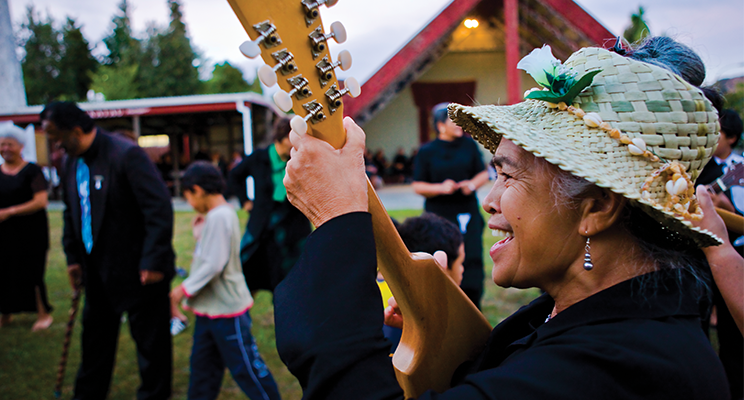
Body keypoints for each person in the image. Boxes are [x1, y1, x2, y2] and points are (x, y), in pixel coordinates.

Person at [273, 37, 730, 399]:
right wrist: (438, 328)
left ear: (597, 208)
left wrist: (336, 220)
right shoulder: (611, 321)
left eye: (508, 176)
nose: (489, 201)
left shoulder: (622, 369)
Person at [41, 101, 175, 400]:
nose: (55, 144)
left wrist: (153, 260)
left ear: (75, 130)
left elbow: (159, 209)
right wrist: (73, 257)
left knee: (151, 351)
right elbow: (70, 211)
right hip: (96, 272)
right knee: (94, 346)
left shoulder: (126, 154)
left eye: (56, 136)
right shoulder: (71, 162)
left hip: (141, 272)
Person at [170, 161, 282, 400]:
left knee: (247, 369)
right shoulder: (216, 215)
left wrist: (182, 290)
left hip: (227, 313)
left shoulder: (221, 216)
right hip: (208, 311)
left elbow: (214, 263)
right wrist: (201, 233)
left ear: (198, 190)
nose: (189, 203)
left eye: (188, 196)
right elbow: (211, 252)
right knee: (202, 372)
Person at [0, 126, 53, 332]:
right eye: (2, 145)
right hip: (2, 233)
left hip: (31, 232)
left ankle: (43, 314)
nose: (6, 148)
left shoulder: (32, 172)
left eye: (10, 144)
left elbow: (40, 201)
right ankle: (4, 314)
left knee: (32, 272)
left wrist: (10, 211)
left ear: (20, 147)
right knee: (0, 271)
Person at [412, 102, 490, 309]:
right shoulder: (427, 151)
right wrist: (440, 188)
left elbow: (483, 173)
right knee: (441, 256)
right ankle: (442, 305)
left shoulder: (469, 145)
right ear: (440, 125)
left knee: (471, 257)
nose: (459, 125)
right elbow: (417, 185)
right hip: (439, 215)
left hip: (467, 214)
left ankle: (473, 305)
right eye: (453, 121)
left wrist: (471, 185)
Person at [229, 116, 311, 294]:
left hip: (291, 227)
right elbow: (235, 176)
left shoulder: (300, 159)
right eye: (292, 140)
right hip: (263, 226)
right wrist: (245, 201)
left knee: (288, 276)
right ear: (280, 139)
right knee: (253, 269)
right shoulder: (259, 158)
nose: (296, 144)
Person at [695, 108, 744, 399]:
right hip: (700, 259)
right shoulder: (702, 165)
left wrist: (724, 207)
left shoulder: (738, 168)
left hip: (732, 252)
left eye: (718, 132)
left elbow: (738, 221)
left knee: (732, 334)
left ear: (732, 138)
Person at [379, 213, 465, 351]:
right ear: (442, 267)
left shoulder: (374, 287)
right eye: (461, 263)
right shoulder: (435, 313)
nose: (462, 270)